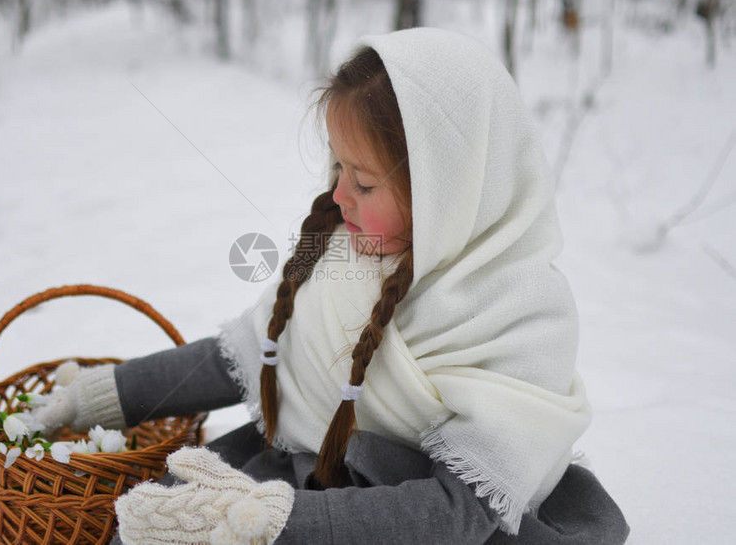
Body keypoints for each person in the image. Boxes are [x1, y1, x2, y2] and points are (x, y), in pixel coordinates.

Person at [36, 28, 629, 545]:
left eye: (364, 182)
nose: (338, 196)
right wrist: (101, 397)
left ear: (449, 191)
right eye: (337, 167)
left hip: (401, 526)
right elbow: (244, 355)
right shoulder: (345, 254)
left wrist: (270, 524)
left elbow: (455, 517)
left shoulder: (521, 317)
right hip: (294, 478)